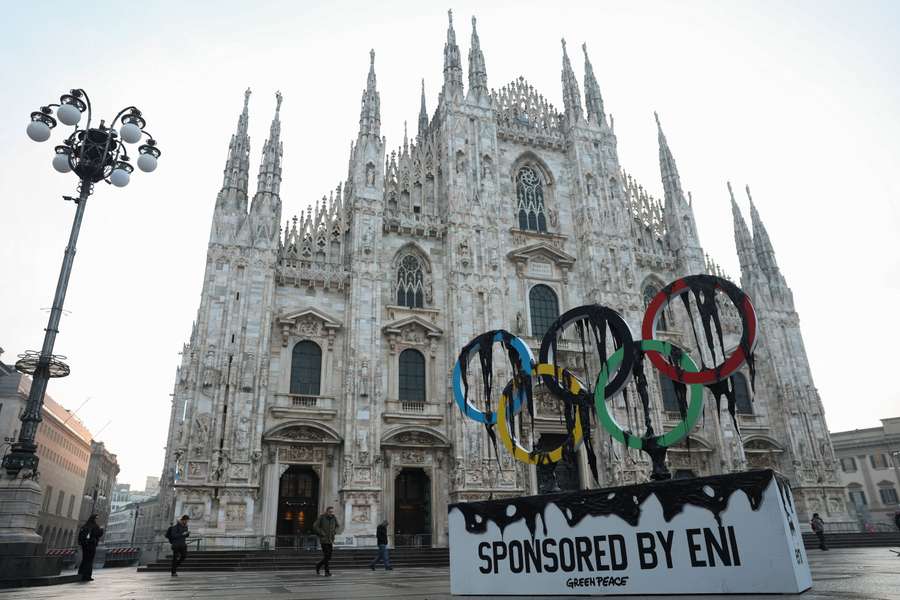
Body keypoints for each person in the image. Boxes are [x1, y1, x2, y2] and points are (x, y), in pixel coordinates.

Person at [312, 506, 339, 576]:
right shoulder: (322, 517)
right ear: (327, 511)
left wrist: (334, 532)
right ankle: (327, 572)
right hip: (324, 540)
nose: (331, 513)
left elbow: (337, 526)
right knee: (326, 555)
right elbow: (315, 526)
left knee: (329, 557)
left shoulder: (334, 518)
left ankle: (318, 565)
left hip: (330, 540)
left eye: (332, 512)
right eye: (330, 512)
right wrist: (321, 533)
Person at [77, 514, 104, 582]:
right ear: (94, 519)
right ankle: (87, 576)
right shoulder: (95, 526)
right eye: (96, 519)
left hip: (84, 545)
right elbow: (98, 534)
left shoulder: (85, 525)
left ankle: (80, 574)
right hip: (91, 545)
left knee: (84, 559)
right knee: (89, 560)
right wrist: (101, 529)